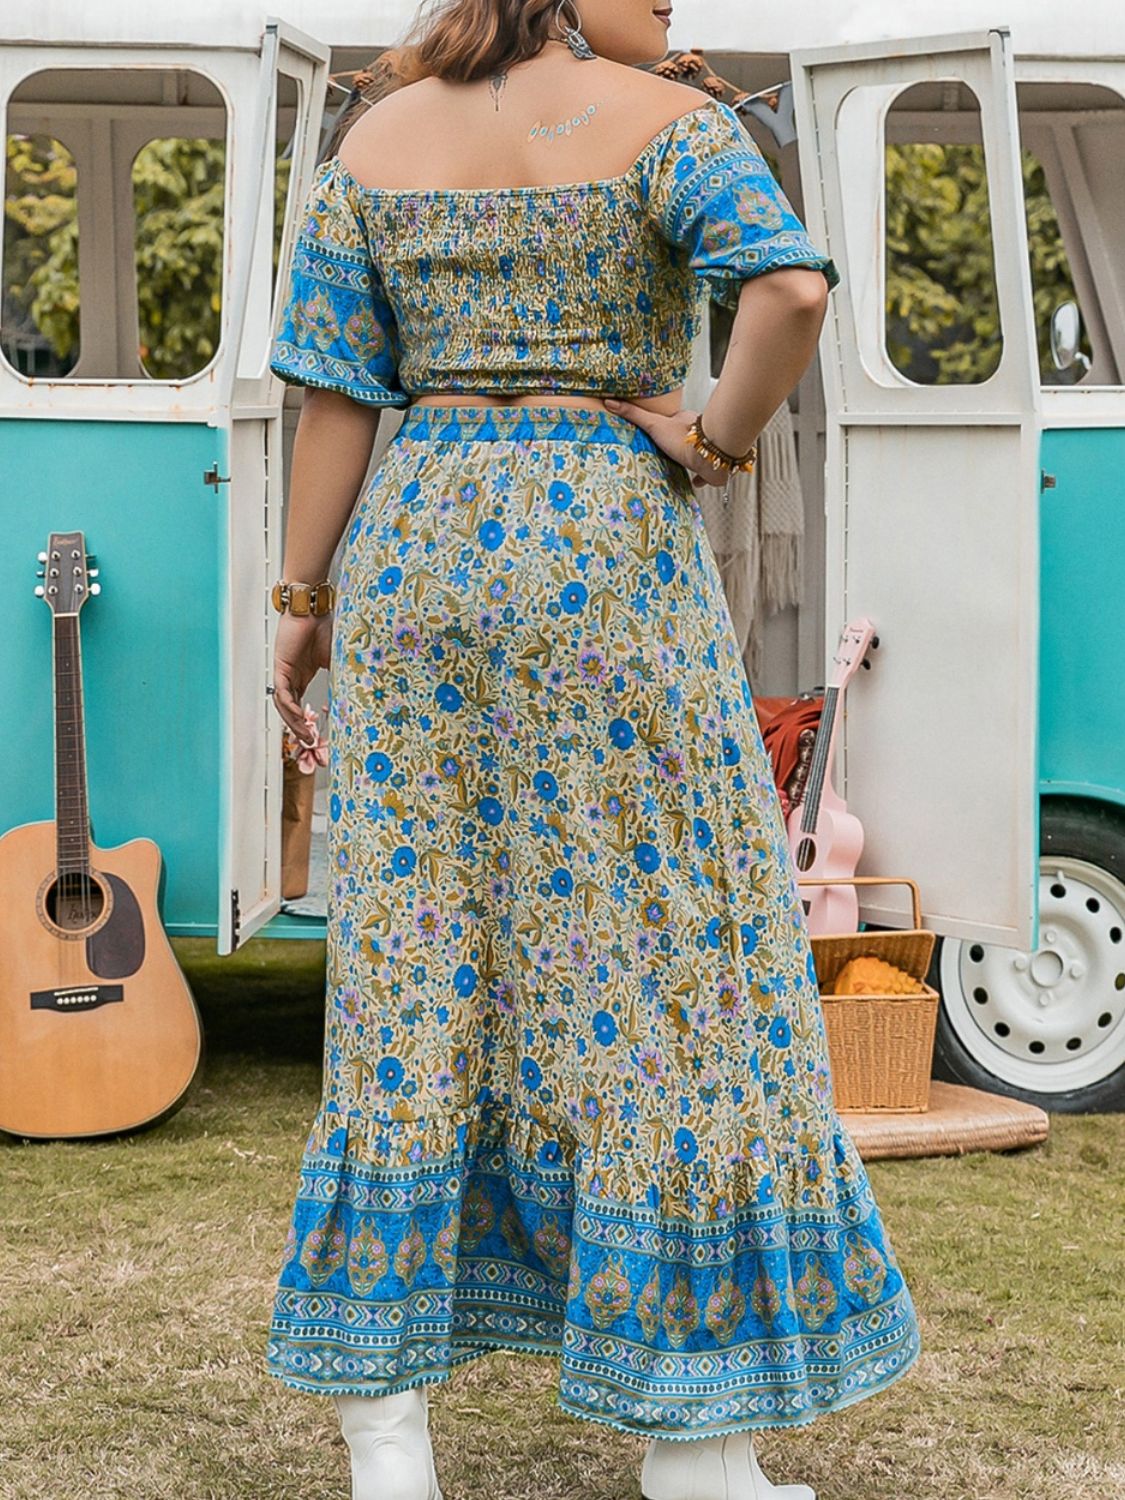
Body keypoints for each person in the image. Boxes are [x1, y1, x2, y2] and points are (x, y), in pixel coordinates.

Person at [264, 2, 923, 1497]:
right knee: (666, 959)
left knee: (417, 964)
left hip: (419, 557)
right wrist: (712, 441)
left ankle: (388, 1448)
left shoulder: (372, 136)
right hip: (600, 555)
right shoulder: (665, 124)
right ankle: (693, 1452)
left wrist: (298, 603)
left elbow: (330, 397)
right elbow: (794, 294)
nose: (675, 7)